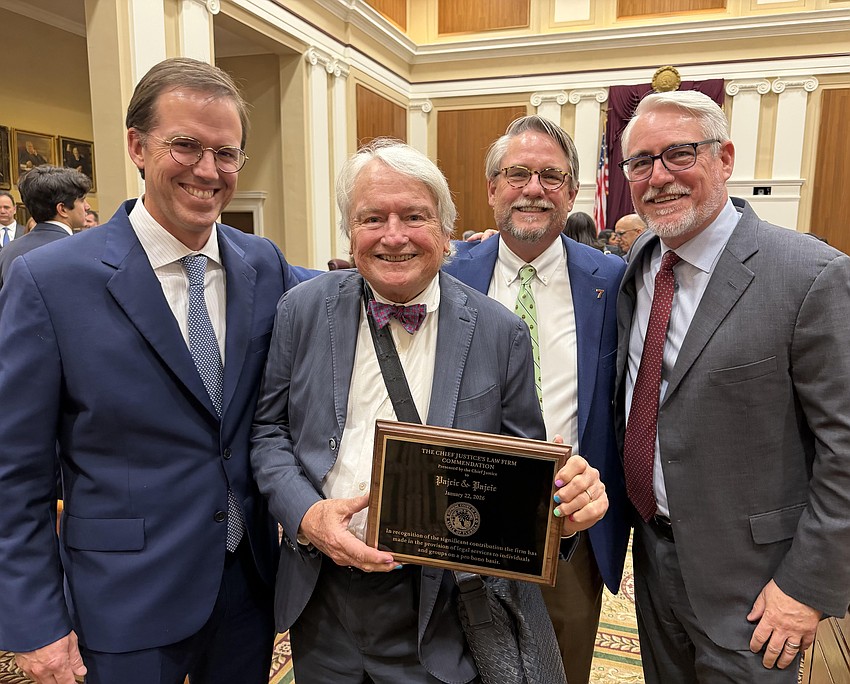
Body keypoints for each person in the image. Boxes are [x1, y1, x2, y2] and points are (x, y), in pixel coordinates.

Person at [250, 138, 609, 683]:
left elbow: (529, 478)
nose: (394, 235)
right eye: (373, 217)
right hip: (322, 598)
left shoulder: (499, 332)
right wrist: (306, 514)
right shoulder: (301, 310)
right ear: (351, 232)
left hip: (445, 609)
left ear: (446, 232)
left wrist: (569, 503)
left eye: (414, 216)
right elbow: (268, 433)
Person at [0, 57, 310, 684]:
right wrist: (34, 623)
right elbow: (14, 472)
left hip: (247, 587)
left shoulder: (263, 264)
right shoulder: (51, 281)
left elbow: (345, 317)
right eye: (186, 146)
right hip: (123, 598)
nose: (208, 170)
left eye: (227, 154)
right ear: (138, 146)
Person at [615, 89, 850, 683]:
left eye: (680, 154)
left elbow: (846, 452)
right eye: (641, 162)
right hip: (654, 558)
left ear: (725, 159)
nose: (658, 176)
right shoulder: (643, 261)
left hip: (757, 587)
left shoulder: (811, 276)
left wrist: (806, 587)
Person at [444, 115, 629, 684]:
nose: (533, 188)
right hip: (459, 517)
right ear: (492, 187)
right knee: (455, 664)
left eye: (551, 176)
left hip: (566, 521)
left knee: (562, 666)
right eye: (517, 173)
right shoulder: (447, 271)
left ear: (572, 192)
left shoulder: (616, 280)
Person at [0, 165, 91, 287]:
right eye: (82, 200)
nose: (87, 206)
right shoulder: (82, 249)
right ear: (62, 209)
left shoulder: (8, 251)